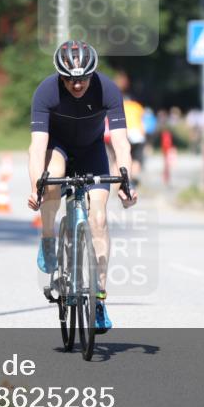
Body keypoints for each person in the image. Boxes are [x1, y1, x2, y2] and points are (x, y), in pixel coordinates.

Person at [27, 40, 138, 334]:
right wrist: (35, 185)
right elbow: (37, 148)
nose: (77, 85)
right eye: (71, 79)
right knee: (51, 180)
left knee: (99, 219)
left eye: (83, 78)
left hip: (92, 152)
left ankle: (99, 300)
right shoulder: (46, 92)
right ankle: (49, 236)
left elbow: (120, 141)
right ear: (60, 76)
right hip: (59, 149)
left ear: (93, 73)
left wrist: (125, 179)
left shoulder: (109, 90)